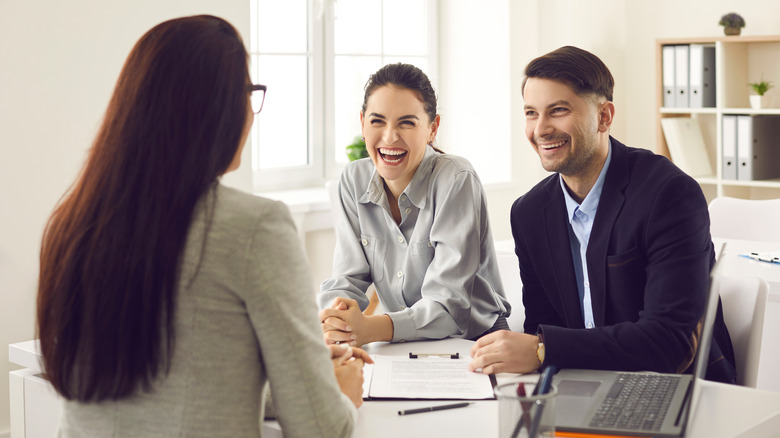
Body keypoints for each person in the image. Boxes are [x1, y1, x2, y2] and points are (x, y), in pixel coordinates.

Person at [36, 15, 369, 437]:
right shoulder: (256, 227)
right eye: (248, 93)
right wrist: (340, 391)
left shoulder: (72, 223)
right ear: (217, 109)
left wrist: (306, 371)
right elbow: (320, 427)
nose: (251, 113)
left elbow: (169, 383)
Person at [469, 46, 736, 384]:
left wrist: (542, 349)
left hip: (682, 391)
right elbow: (543, 323)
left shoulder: (669, 195)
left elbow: (670, 343)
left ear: (605, 117)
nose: (540, 129)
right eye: (531, 113)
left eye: (558, 110)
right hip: (582, 384)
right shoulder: (529, 213)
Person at [318, 63, 510, 346]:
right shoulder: (353, 179)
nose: (390, 137)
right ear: (362, 123)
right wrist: (337, 319)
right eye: (377, 121)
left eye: (407, 122)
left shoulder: (456, 179)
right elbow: (348, 278)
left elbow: (449, 305)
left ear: (432, 129)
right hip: (407, 342)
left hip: (475, 341)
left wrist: (370, 328)